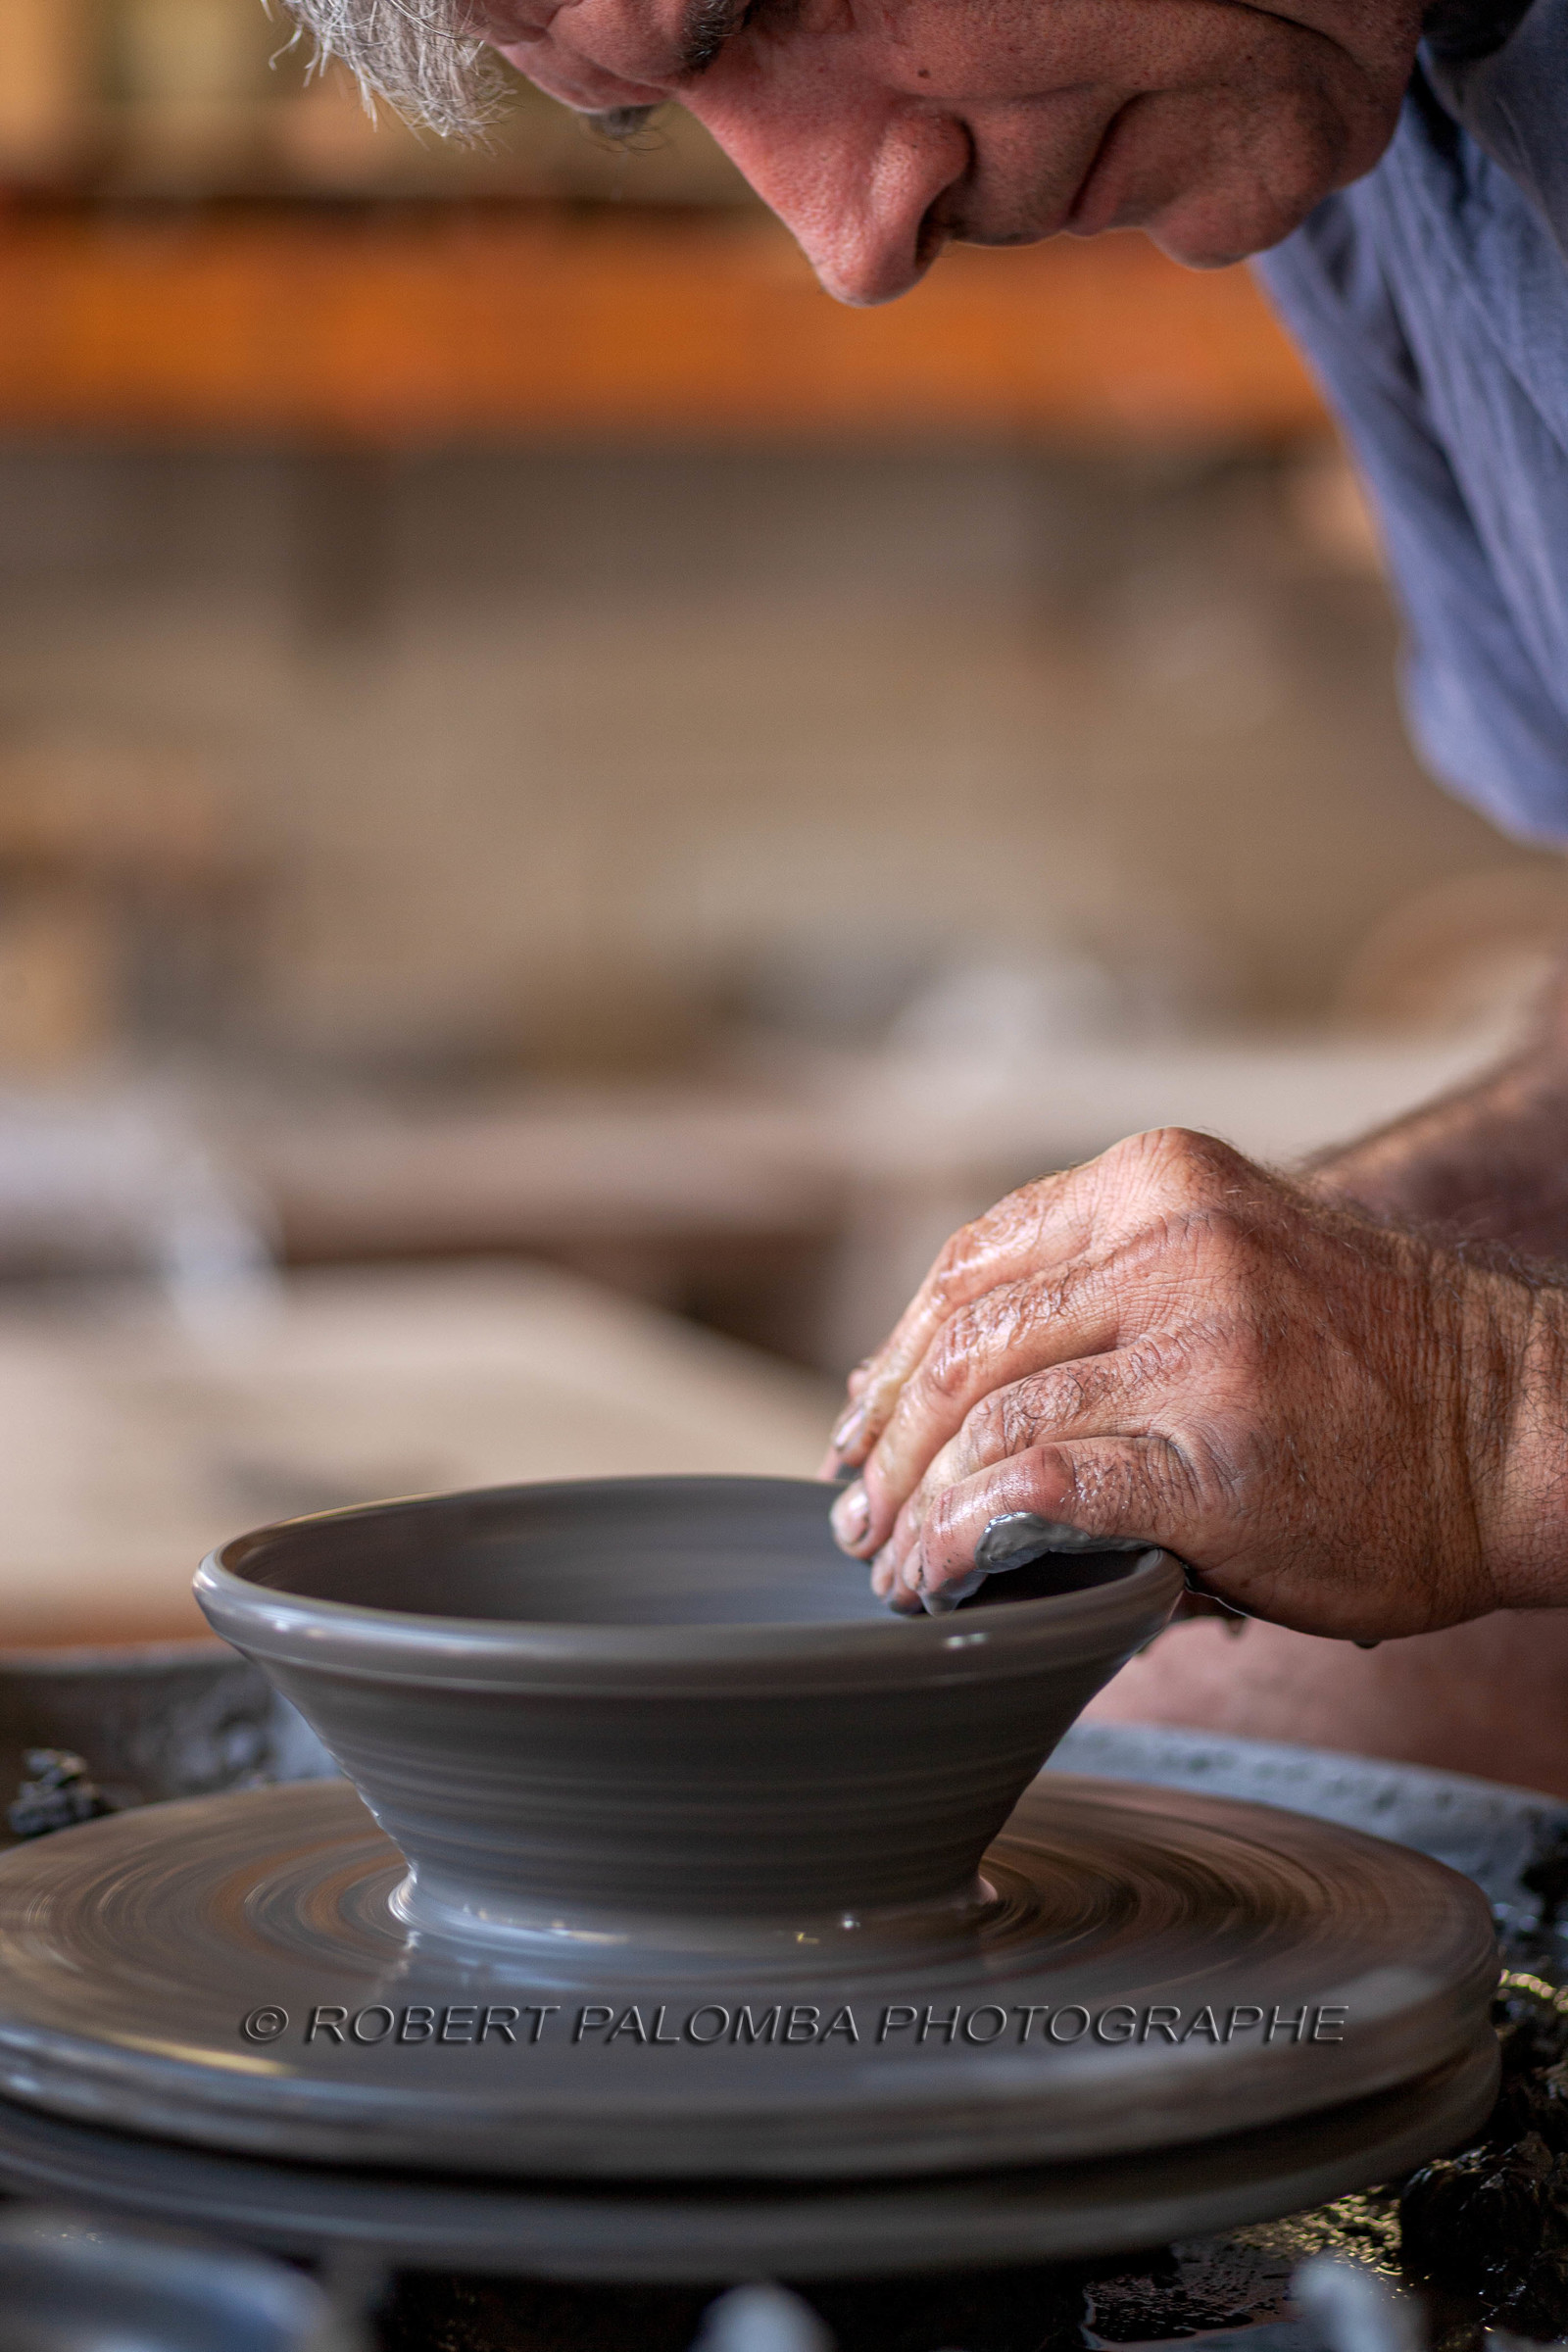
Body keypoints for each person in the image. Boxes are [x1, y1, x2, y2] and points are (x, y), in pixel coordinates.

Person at [292, 0, 1568, 1791]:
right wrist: (1348, 1296)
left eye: (760, 9)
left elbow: (1496, 1433)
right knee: (1185, 1745)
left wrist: (1488, 1415)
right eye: (646, 114)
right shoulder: (1347, 101)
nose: (850, 239)